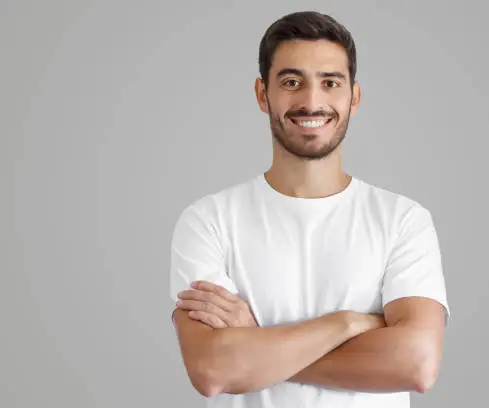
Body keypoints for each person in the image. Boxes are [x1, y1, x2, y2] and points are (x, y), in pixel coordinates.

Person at [169, 10, 450, 407]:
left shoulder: (403, 220)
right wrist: (349, 323)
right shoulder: (208, 221)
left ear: (353, 97)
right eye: (291, 81)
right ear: (263, 94)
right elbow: (214, 370)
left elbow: (417, 364)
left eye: (330, 82)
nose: (311, 101)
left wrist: (255, 344)